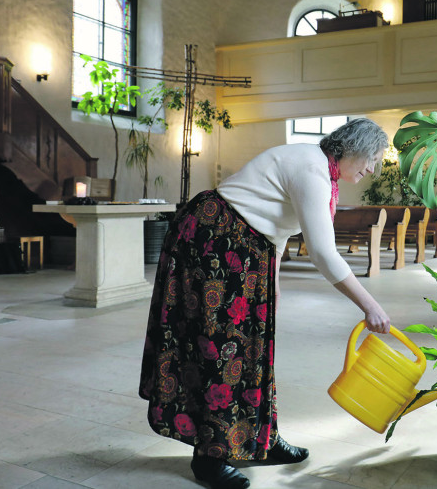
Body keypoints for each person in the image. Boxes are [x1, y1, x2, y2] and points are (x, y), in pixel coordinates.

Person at [138, 118, 392, 489]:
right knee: (221, 350)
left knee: (254, 349)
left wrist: (270, 281)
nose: (372, 169)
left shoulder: (317, 168)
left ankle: (262, 440)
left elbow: (279, 225)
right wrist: (370, 305)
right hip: (216, 240)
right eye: (372, 159)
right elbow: (323, 253)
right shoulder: (312, 169)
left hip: (241, 246)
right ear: (351, 149)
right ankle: (210, 458)